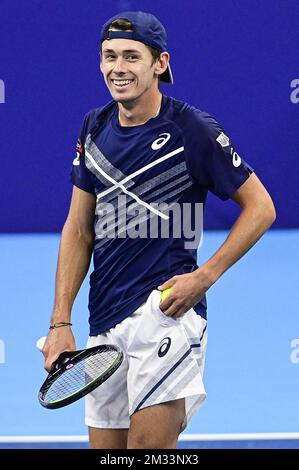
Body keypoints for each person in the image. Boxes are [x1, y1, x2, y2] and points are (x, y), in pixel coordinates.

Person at [43, 11, 276, 449]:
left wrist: (204, 277)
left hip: (165, 313)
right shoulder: (93, 127)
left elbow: (261, 208)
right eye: (109, 56)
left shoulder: (193, 130)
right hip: (104, 322)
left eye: (132, 56)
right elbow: (78, 230)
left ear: (160, 63)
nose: (118, 68)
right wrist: (60, 321)